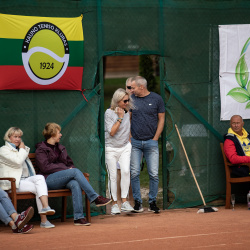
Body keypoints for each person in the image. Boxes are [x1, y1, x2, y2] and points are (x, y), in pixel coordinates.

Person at [35, 123, 112, 226]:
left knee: (75, 183)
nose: (61, 135)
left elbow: (70, 164)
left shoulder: (61, 148)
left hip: (62, 178)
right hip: (48, 180)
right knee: (74, 172)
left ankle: (78, 217)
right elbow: (45, 167)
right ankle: (94, 197)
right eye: (59, 133)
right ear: (52, 134)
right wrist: (65, 168)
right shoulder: (41, 149)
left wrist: (68, 168)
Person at [0, 127, 56, 229]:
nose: (18, 139)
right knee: (38, 189)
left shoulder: (20, 150)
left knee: (39, 178)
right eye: (15, 137)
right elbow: (18, 162)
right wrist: (22, 149)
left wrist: (22, 149)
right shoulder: (3, 150)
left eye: (19, 137)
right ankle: (44, 220)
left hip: (25, 179)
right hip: (13, 183)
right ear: (9, 137)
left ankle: (46, 207)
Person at [130, 76, 165, 213]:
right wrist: (130, 137)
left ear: (141, 87)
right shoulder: (132, 99)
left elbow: (161, 119)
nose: (131, 90)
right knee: (134, 173)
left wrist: (155, 138)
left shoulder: (157, 99)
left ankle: (152, 202)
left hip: (152, 142)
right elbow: (129, 118)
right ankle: (138, 203)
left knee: (154, 174)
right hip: (135, 143)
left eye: (133, 87)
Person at [105, 88, 134, 215]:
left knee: (126, 171)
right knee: (113, 176)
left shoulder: (128, 111)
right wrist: (120, 118)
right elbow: (111, 132)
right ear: (117, 101)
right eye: (124, 101)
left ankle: (124, 201)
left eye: (128, 100)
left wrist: (129, 141)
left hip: (125, 147)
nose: (127, 103)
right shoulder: (109, 113)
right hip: (111, 148)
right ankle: (114, 204)